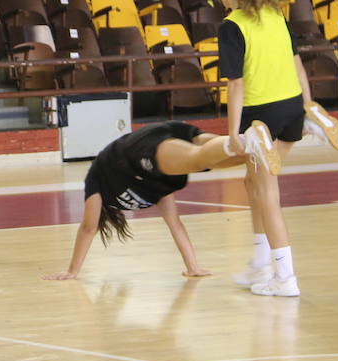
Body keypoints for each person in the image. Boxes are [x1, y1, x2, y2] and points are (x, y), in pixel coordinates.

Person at [213, 0, 338, 298]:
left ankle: (285, 277)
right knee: (253, 182)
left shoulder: (232, 26)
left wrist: (233, 133)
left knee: (267, 193)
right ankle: (260, 263)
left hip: (260, 117)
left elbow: (236, 84)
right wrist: (307, 104)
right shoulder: (276, 15)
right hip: (290, 109)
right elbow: (298, 65)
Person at [43, 120, 277, 281]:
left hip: (136, 150)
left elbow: (88, 228)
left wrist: (72, 271)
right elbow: (175, 223)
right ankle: (259, 143)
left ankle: (248, 140)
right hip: (159, 142)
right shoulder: (157, 189)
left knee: (198, 159)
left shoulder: (97, 183)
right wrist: (192, 267)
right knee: (225, 158)